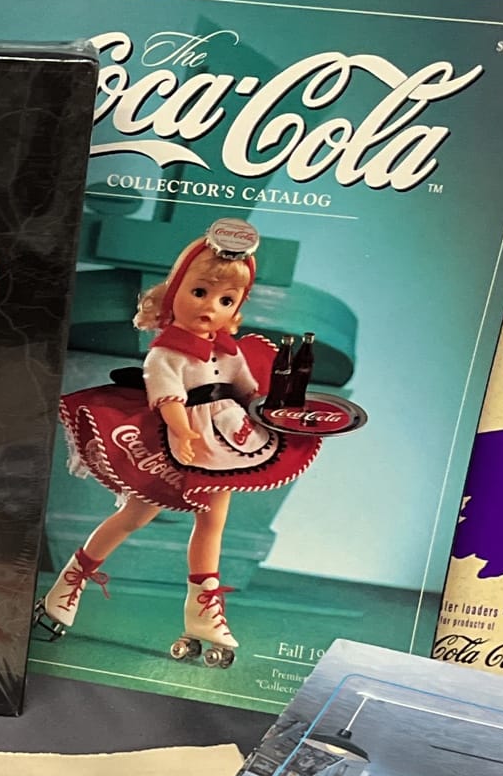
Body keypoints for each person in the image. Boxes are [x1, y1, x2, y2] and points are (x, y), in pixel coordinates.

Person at [36, 221, 324, 668]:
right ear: (175, 292)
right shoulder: (166, 352)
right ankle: (71, 579)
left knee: (213, 520)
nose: (211, 307)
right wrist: (183, 430)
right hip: (177, 439)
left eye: (226, 300)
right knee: (134, 515)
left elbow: (248, 391)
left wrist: (273, 411)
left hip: (225, 443)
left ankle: (202, 608)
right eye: (200, 292)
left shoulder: (229, 351)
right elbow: (166, 396)